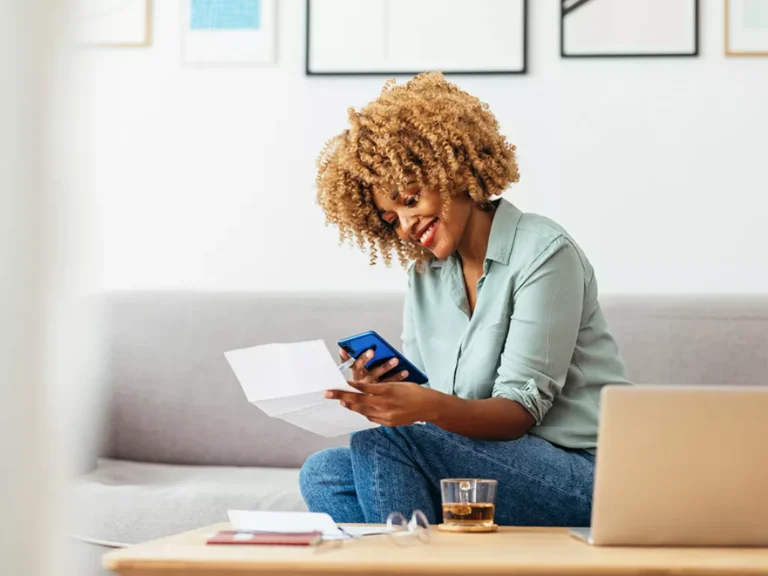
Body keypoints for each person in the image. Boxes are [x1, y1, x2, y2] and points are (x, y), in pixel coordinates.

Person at [299, 72, 629, 527]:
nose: (407, 225)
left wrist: (421, 407)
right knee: (323, 473)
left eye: (410, 200)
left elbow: (515, 415)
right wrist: (386, 389)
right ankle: (423, 555)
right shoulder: (425, 274)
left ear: (450, 169)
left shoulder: (544, 252)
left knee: (386, 444)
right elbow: (431, 411)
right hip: (485, 467)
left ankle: (408, 562)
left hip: (587, 475)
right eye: (391, 219)